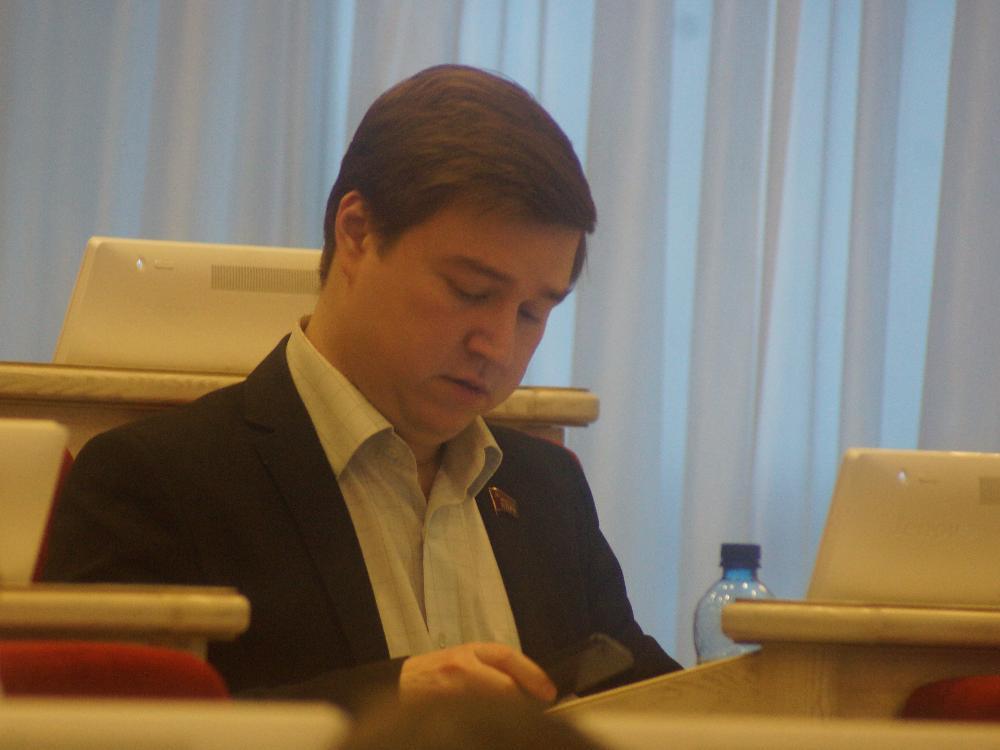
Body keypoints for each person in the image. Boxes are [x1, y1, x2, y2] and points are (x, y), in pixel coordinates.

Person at [41, 64, 682, 710]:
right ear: (356, 232)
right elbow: (104, 729)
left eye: (532, 313)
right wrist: (386, 701)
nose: (498, 346)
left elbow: (649, 701)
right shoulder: (154, 482)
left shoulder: (549, 492)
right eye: (470, 291)